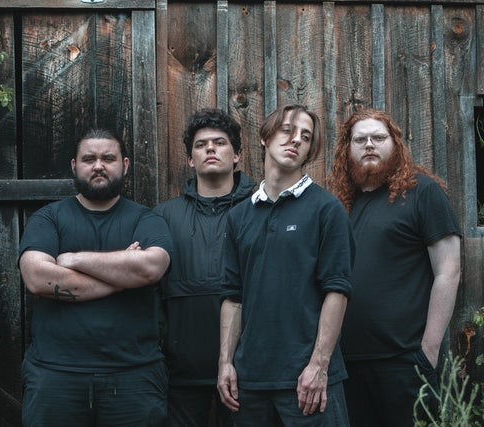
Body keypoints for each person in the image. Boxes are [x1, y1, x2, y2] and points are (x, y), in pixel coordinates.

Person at [18, 129, 172, 427]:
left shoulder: (146, 219)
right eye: (89, 159)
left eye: (108, 158)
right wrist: (123, 273)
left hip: (134, 376)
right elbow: (36, 277)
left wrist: (73, 260)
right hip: (55, 376)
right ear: (74, 166)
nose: (98, 165)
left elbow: (151, 268)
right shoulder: (49, 218)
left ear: (124, 165)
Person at [217, 104, 354, 426]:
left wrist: (318, 366)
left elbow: (337, 290)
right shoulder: (239, 216)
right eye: (288, 130)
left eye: (305, 137)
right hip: (250, 381)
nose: (296, 140)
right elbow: (233, 297)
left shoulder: (326, 209)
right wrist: (226, 363)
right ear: (265, 138)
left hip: (307, 381)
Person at [328, 108, 461, 427]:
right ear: (347, 150)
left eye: (378, 137)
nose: (369, 145)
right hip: (347, 365)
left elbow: (449, 270)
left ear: (396, 144)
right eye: (360, 139)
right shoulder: (341, 204)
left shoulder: (422, 192)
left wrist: (428, 350)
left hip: (404, 362)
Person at [154, 108, 255, 427]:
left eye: (220, 142)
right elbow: (151, 290)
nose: (210, 148)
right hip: (181, 368)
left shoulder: (260, 208)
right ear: (190, 160)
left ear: (237, 156)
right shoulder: (164, 216)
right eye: (201, 145)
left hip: (248, 366)